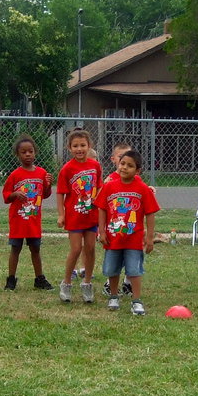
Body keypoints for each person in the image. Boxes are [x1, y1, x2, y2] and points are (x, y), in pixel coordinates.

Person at [96, 149, 160, 315]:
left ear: (137, 171)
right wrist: (101, 231)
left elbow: (150, 213)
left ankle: (136, 300)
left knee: (134, 270)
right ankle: (114, 296)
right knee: (112, 269)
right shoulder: (109, 186)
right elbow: (102, 209)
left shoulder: (142, 188)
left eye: (130, 166)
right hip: (112, 239)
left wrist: (150, 238)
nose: (124, 167)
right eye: (122, 163)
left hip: (134, 240)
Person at [2, 134, 54, 291]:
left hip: (33, 220)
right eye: (23, 152)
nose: (28, 154)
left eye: (30, 151)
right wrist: (15, 194)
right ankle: (11, 279)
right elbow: (6, 196)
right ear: (18, 155)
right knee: (15, 249)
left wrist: (48, 184)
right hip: (19, 220)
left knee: (35, 249)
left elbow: (45, 194)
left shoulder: (41, 173)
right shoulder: (15, 175)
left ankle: (39, 278)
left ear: (35, 152)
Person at [57, 128, 102, 304]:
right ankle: (66, 282)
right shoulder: (67, 169)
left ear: (89, 146)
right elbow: (60, 193)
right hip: (74, 217)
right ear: (69, 148)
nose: (79, 149)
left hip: (91, 216)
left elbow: (99, 188)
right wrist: (61, 215)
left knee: (90, 248)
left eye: (83, 145)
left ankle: (87, 283)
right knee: (76, 249)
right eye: (75, 146)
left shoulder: (95, 166)